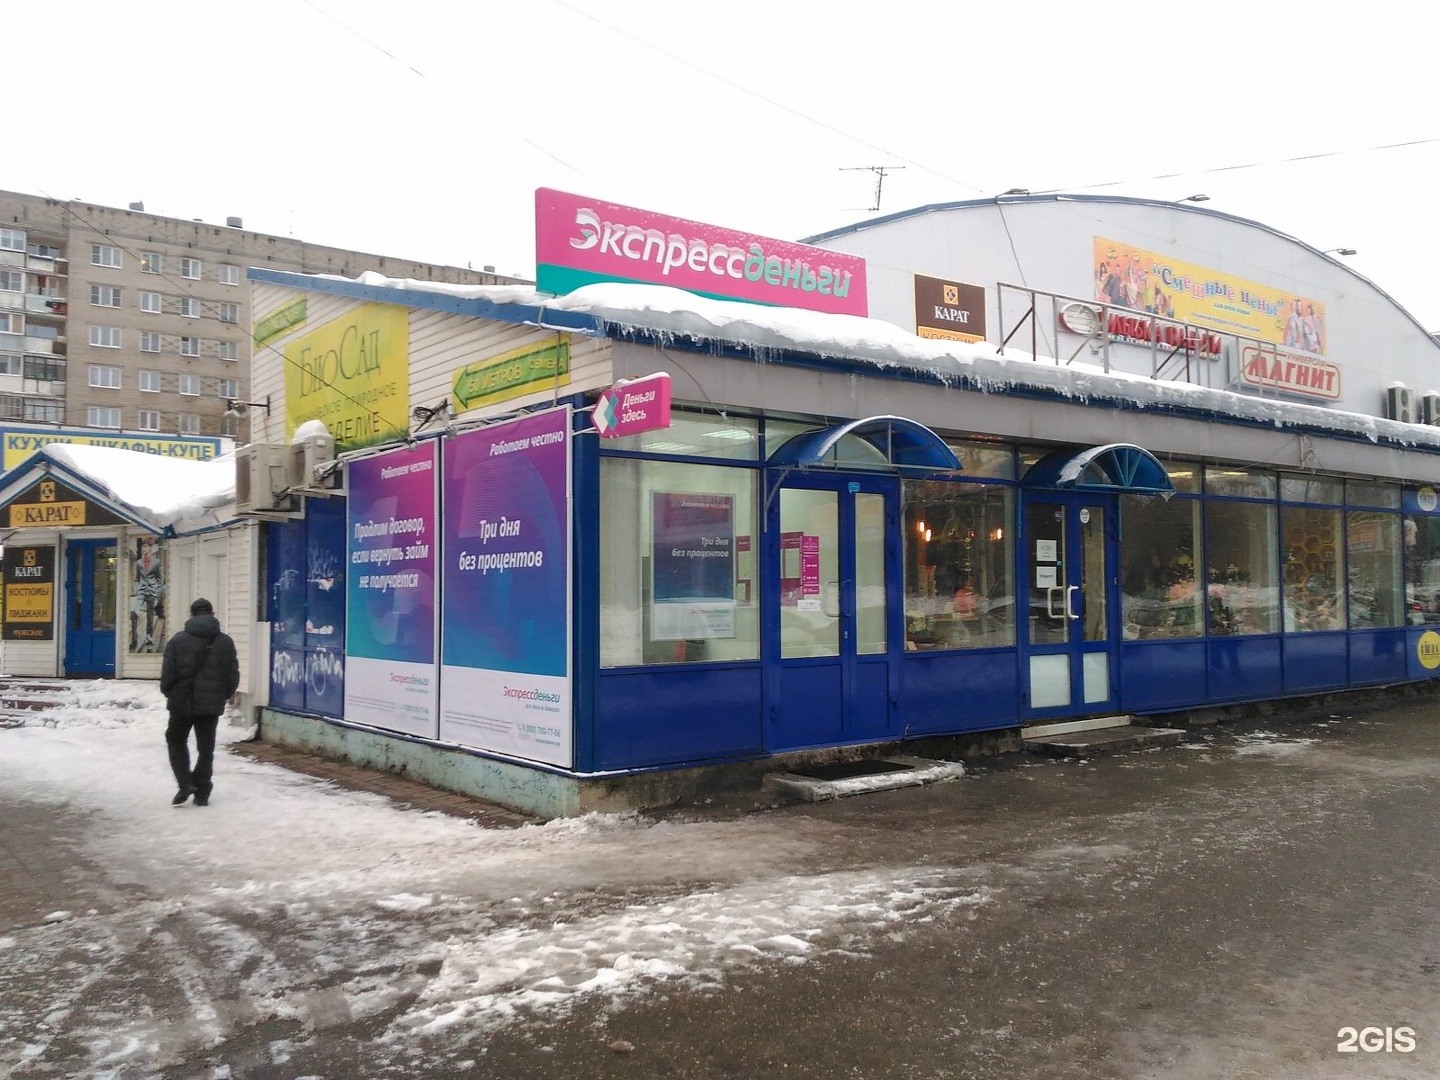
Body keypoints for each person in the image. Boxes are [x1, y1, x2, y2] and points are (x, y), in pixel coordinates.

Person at [159, 598, 240, 807]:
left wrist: (170, 692)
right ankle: (202, 791)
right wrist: (223, 695)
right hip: (211, 703)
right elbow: (232, 675)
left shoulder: (177, 641)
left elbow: (168, 674)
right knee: (206, 748)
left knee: (176, 740)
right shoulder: (225, 642)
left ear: (191, 615)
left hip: (182, 701)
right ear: (212, 614)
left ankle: (185, 783)